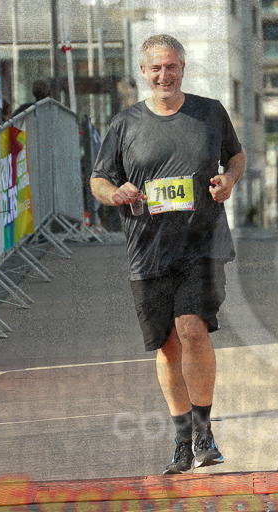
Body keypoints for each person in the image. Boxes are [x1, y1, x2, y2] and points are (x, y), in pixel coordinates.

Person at [90, 34, 246, 475]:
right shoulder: (125, 125)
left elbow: (236, 158)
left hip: (203, 244)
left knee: (193, 329)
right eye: (156, 68)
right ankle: (182, 438)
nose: (164, 75)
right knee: (166, 344)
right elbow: (99, 180)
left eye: (172, 66)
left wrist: (228, 181)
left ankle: (204, 433)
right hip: (148, 250)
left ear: (183, 67)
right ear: (143, 72)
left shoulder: (210, 112)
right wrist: (115, 192)